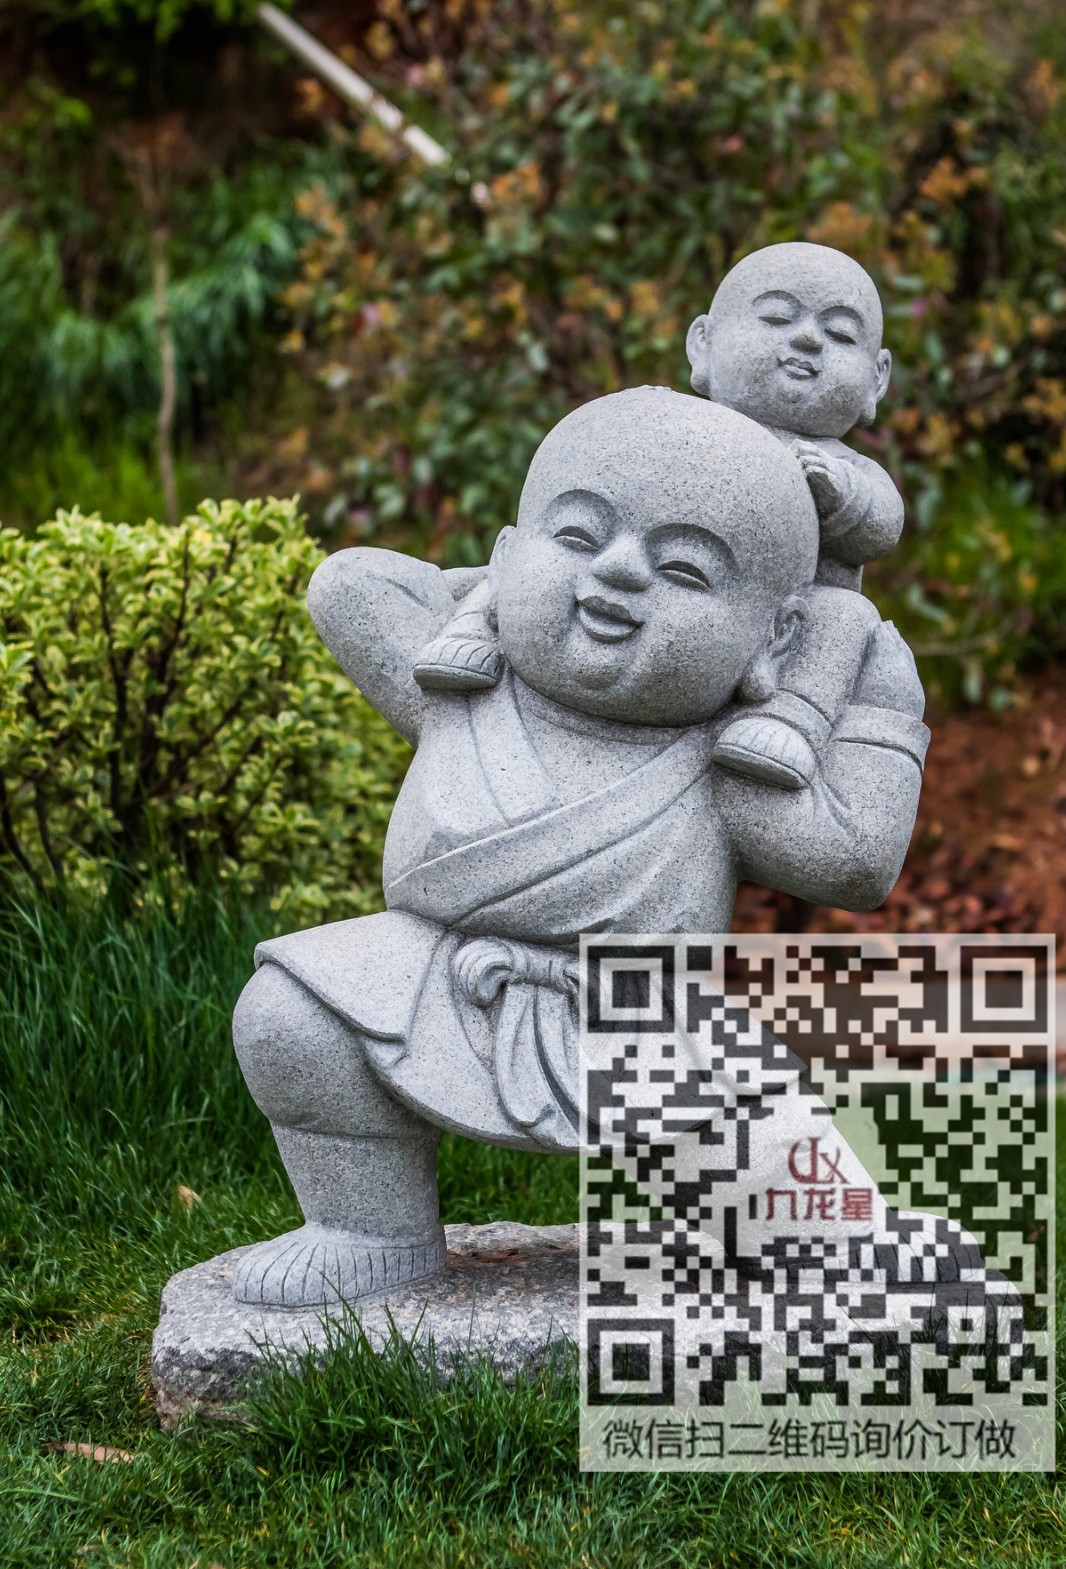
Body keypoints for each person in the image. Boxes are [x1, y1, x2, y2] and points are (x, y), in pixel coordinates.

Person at [230, 388, 929, 1308]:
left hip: (648, 1022)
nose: (619, 571)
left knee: (812, 1230)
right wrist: (490, 604)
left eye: (684, 570)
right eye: (577, 536)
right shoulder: (460, 688)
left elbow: (856, 865)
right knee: (288, 1015)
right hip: (431, 980)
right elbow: (349, 586)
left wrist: (877, 706)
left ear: (774, 640)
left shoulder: (726, 765)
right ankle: (369, 1229)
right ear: (506, 554)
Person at [686, 240, 905, 788]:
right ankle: (485, 620)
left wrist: (843, 496)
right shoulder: (685, 430)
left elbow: (882, 527)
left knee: (848, 617)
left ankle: (792, 721)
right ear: (703, 344)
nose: (807, 339)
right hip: (685, 596)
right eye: (777, 318)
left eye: (840, 334)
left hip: (793, 624)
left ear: (877, 379)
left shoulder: (843, 465)